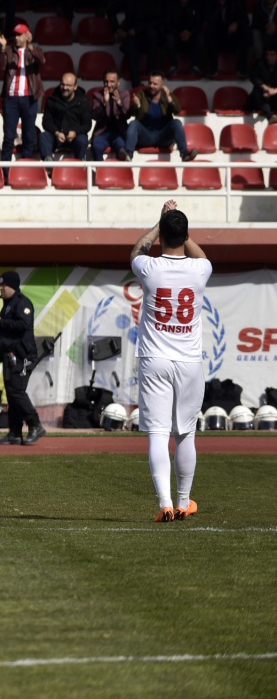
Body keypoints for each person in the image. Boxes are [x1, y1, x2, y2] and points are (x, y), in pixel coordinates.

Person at [130, 201, 211, 522]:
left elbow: (138, 249)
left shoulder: (148, 267)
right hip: (189, 360)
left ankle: (164, 503)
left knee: (158, 434)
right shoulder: (201, 269)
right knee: (185, 433)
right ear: (186, 235)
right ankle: (182, 501)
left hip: (155, 358)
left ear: (162, 235)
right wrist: (176, 228)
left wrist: (159, 222)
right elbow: (200, 254)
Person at [0, 271, 45, 446]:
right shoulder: (8, 305)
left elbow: (23, 325)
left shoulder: (22, 303)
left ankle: (35, 424)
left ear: (12, 286)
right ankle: (14, 432)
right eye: (0, 285)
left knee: (16, 392)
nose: (1, 288)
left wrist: (1, 323)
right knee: (12, 395)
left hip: (22, 356)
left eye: (3, 285)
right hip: (10, 357)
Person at [0, 22, 46, 163]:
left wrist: (30, 46)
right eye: (15, 35)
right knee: (8, 136)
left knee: (29, 135)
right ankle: (5, 172)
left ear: (26, 35)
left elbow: (42, 60)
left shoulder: (34, 50)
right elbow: (1, 67)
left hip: (29, 98)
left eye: (20, 35)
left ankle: (26, 169)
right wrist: (3, 48)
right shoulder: (9, 51)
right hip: (11, 98)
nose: (16, 38)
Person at [126, 73, 198, 162]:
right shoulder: (141, 94)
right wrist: (135, 106)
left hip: (163, 136)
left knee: (176, 123)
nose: (151, 86)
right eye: (150, 83)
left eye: (155, 84)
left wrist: (169, 100)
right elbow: (129, 114)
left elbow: (177, 110)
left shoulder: (167, 95)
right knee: (133, 124)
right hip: (145, 135)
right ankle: (128, 155)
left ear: (162, 85)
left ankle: (184, 154)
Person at [38, 71, 92, 160]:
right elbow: (46, 122)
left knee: (82, 140)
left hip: (75, 138)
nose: (65, 88)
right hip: (56, 137)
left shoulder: (84, 101)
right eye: (62, 84)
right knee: (43, 136)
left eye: (68, 85)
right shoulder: (52, 99)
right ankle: (49, 165)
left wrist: (75, 132)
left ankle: (79, 166)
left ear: (75, 87)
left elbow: (87, 124)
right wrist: (56, 132)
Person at [90, 70, 133, 161]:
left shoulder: (124, 95)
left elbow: (127, 115)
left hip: (119, 132)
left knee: (121, 145)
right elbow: (94, 115)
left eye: (112, 82)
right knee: (96, 144)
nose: (108, 85)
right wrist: (104, 103)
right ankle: (100, 171)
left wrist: (119, 103)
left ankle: (122, 165)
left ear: (118, 82)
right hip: (102, 132)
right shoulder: (97, 95)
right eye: (106, 82)